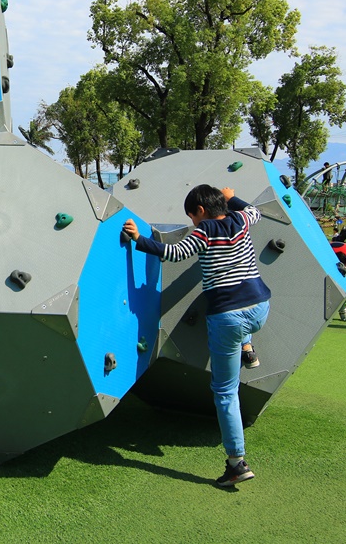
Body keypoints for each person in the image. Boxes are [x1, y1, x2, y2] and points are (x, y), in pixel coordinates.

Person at [123, 185, 270, 487]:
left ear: (200, 212)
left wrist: (138, 239)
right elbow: (258, 211)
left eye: (191, 217)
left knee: (225, 392)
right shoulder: (241, 220)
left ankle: (237, 463)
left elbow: (174, 253)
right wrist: (232, 198)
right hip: (260, 308)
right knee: (239, 322)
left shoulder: (204, 233)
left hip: (228, 316)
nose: (192, 223)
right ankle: (248, 347)